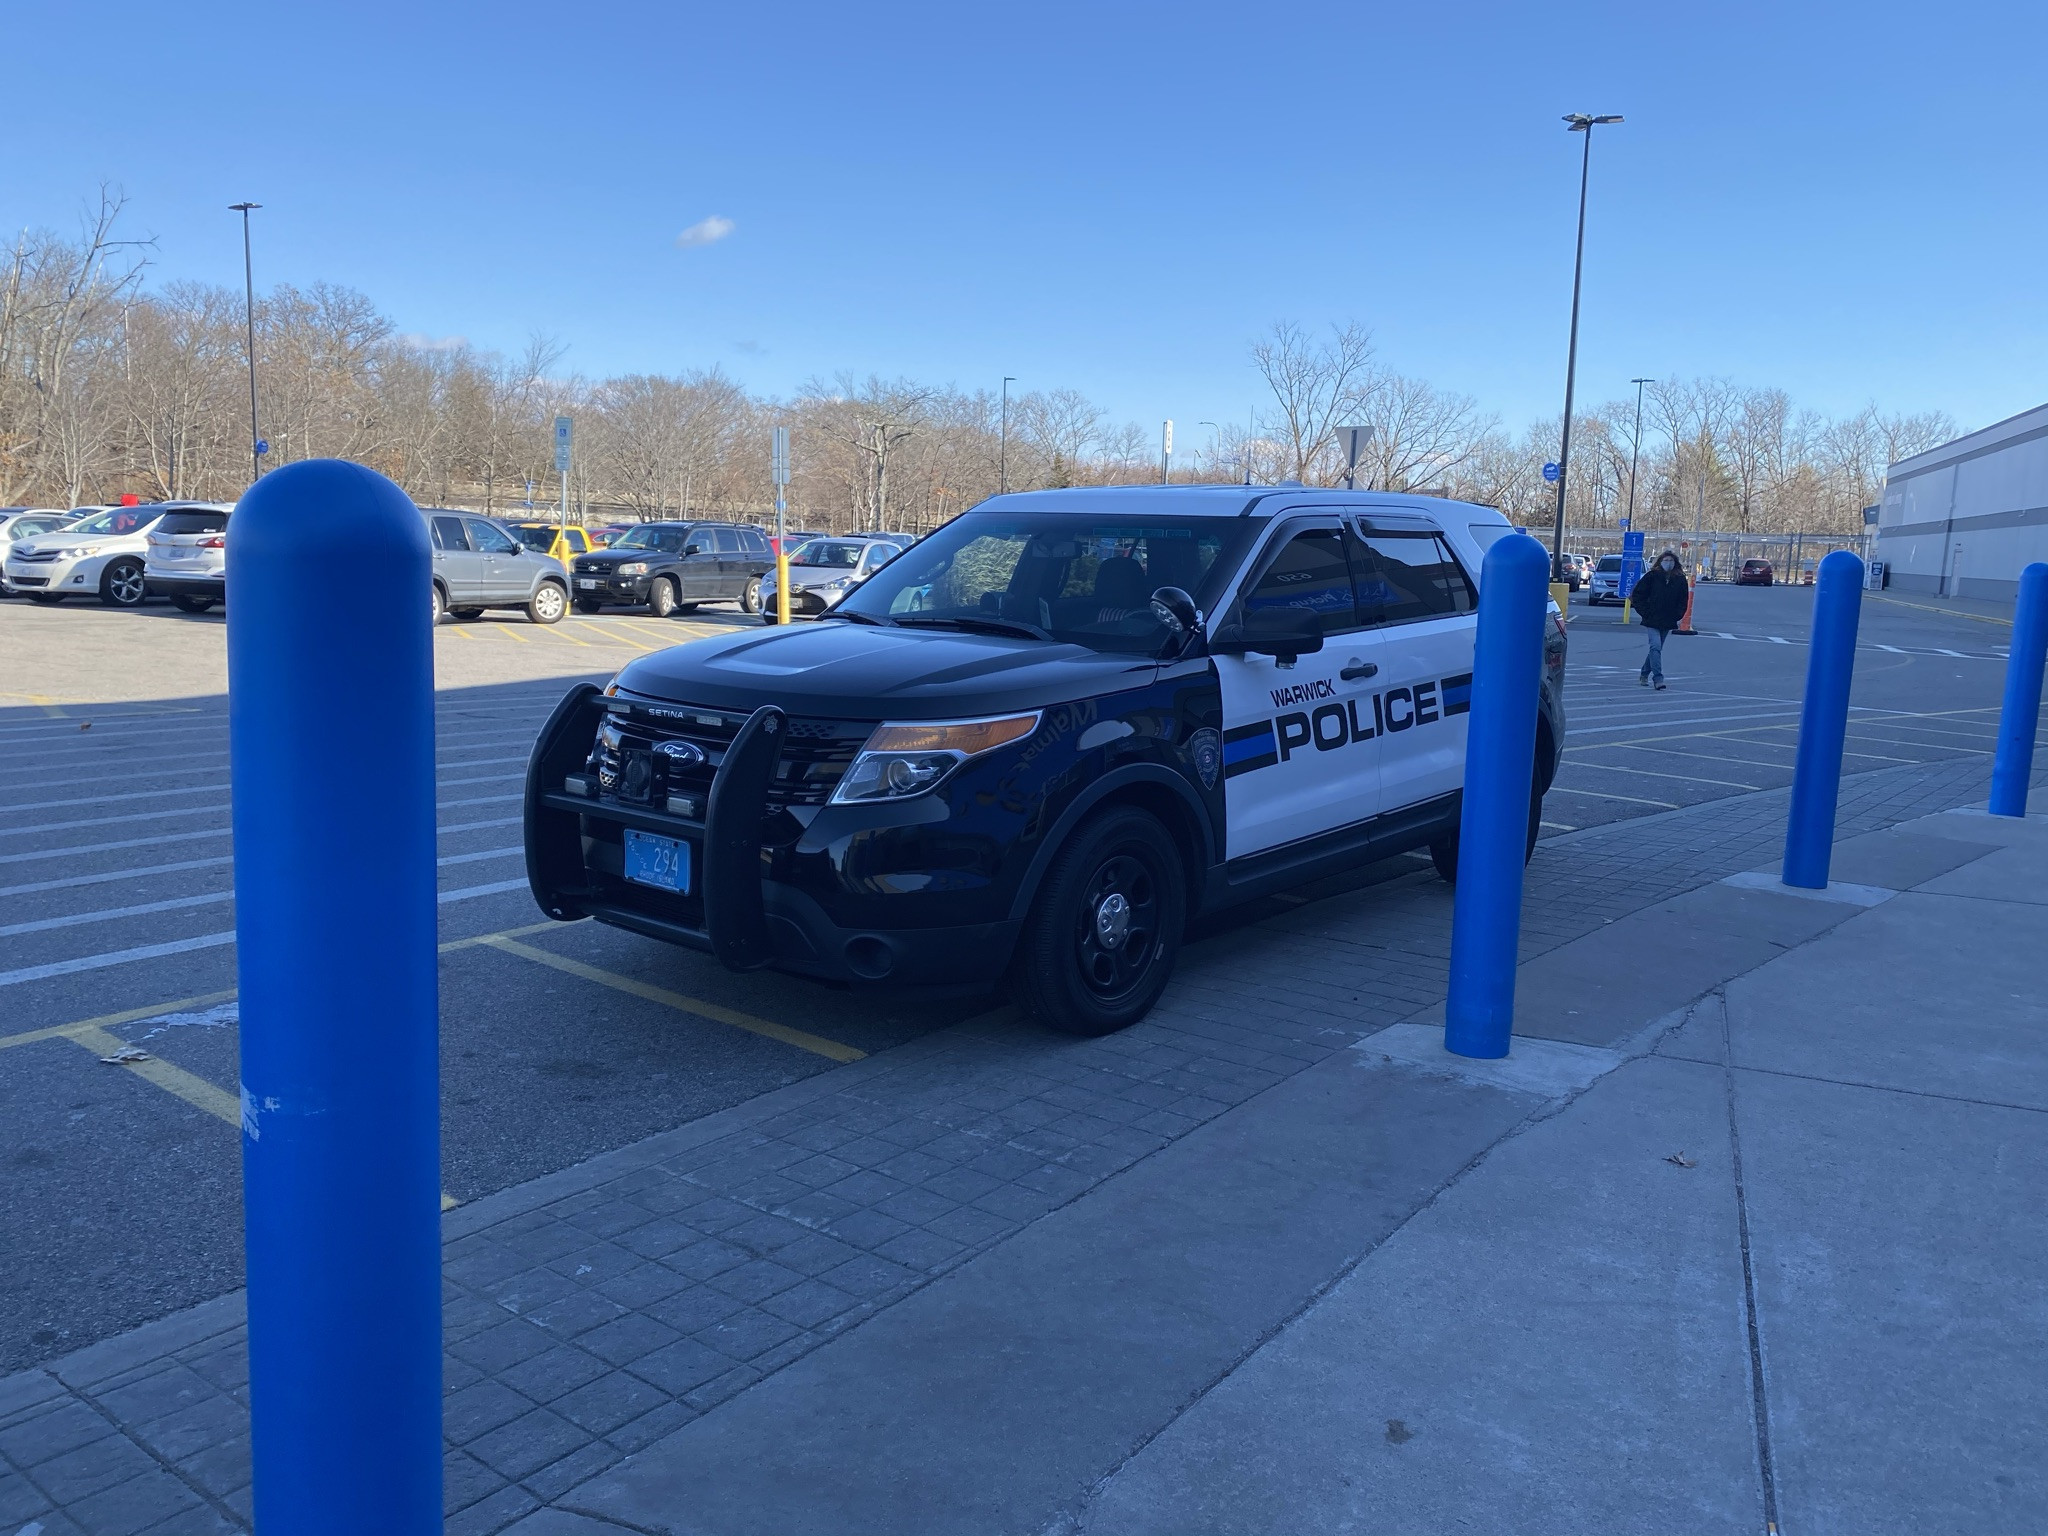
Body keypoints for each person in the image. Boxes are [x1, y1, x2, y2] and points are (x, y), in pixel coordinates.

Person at [1630, 549, 1689, 690]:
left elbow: (1683, 600)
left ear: (1676, 563)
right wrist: (1645, 612)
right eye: (1665, 560)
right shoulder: (1652, 576)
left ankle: (1644, 673)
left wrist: (1677, 614)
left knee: (1656, 649)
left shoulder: (1680, 579)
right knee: (1655, 646)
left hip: (1668, 619)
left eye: (1671, 561)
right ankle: (1658, 678)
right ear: (1660, 562)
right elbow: (1638, 595)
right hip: (1652, 618)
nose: (1668, 563)